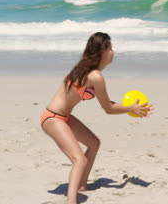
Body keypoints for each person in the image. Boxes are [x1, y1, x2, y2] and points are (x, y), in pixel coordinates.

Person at [40, 32, 153, 204]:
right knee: (79, 159)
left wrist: (131, 108)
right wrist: (131, 108)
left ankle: (82, 185)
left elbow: (107, 103)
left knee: (94, 143)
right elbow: (108, 109)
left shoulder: (87, 71)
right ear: (102, 52)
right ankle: (71, 201)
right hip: (53, 118)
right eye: (111, 48)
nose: (113, 52)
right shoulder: (95, 76)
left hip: (63, 116)